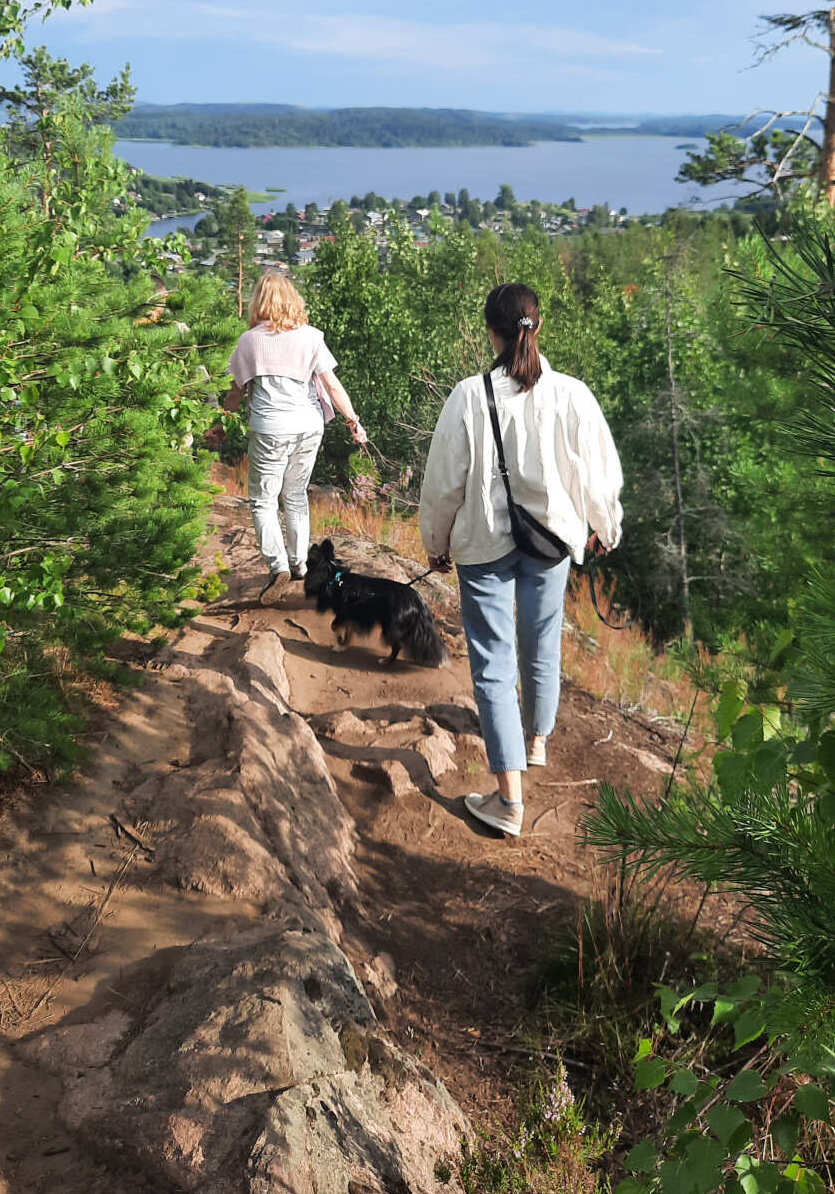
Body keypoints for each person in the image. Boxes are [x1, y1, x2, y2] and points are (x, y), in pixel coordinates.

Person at [418, 281, 623, 837]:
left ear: (491, 332)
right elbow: (599, 471)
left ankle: (509, 801)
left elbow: (443, 482)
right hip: (552, 541)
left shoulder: (469, 396)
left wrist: (434, 542)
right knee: (542, 643)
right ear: (539, 326)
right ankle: (536, 741)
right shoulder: (572, 395)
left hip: (484, 542)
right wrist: (606, 527)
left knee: (493, 663)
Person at [225, 272, 367, 603]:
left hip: (270, 428)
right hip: (308, 426)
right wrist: (353, 421)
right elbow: (332, 386)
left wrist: (222, 420)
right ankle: (300, 563)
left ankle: (278, 567)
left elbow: (235, 392)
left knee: (263, 500)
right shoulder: (311, 337)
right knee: (296, 493)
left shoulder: (249, 341)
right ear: (292, 299)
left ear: (259, 301)